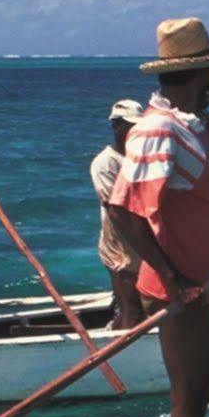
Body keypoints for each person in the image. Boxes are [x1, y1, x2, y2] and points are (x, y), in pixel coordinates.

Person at [105, 17, 209, 417]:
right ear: (202, 74)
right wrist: (175, 277)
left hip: (195, 282)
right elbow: (126, 213)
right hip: (178, 286)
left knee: (200, 387)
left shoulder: (197, 125)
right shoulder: (156, 130)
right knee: (191, 396)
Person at [89, 98, 146, 329]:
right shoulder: (105, 163)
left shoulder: (140, 159)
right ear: (116, 126)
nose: (136, 132)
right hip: (120, 246)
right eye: (130, 126)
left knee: (145, 305)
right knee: (131, 309)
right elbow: (116, 212)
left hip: (144, 242)